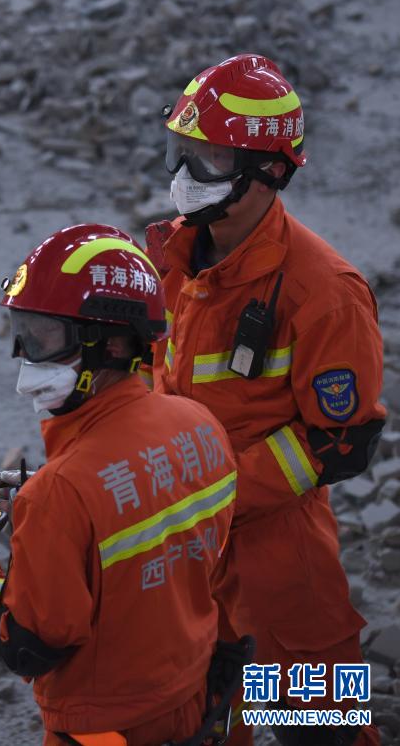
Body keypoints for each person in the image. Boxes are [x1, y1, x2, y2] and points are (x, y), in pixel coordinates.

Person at [145, 53, 386, 746]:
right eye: (181, 152)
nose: (185, 176)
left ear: (270, 172)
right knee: (205, 721)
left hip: (280, 564)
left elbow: (340, 443)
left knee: (320, 731)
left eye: (210, 160)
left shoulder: (322, 291)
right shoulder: (174, 259)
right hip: (186, 551)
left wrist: (211, 491)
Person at [0, 224, 240, 746]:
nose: (27, 357)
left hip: (105, 727)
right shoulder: (200, 424)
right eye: (22, 332)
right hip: (193, 695)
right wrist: (50, 504)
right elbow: (175, 543)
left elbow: (26, 642)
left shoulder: (63, 493)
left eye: (44, 337)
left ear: (112, 344)